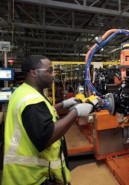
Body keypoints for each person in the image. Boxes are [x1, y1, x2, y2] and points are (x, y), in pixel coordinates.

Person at [2, 55, 93, 185]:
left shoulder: (23, 92)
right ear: (34, 72)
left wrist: (63, 104)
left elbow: (39, 115)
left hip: (22, 173)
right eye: (49, 70)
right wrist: (75, 112)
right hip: (33, 176)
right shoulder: (32, 101)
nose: (53, 74)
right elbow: (47, 135)